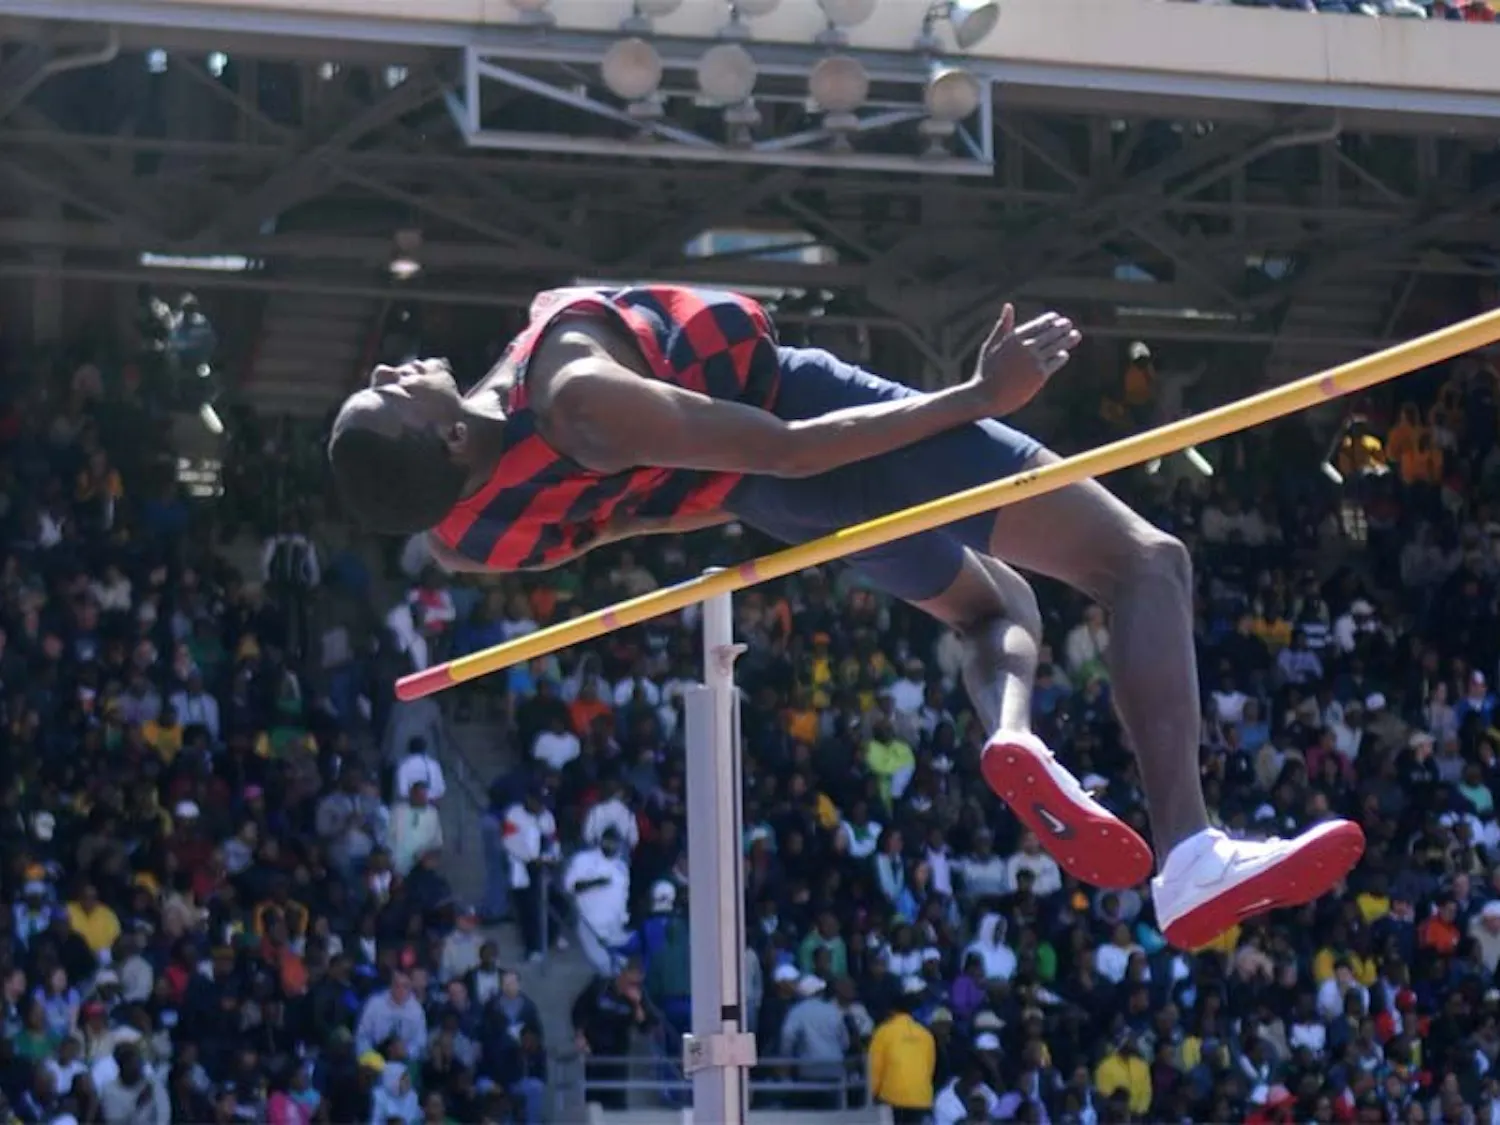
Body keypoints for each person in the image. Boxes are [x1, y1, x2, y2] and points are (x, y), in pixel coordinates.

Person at [327, 282, 1365, 947]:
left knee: (993, 610)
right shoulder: (580, 396)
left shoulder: (468, 535)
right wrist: (976, 395)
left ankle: (1011, 734)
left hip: (762, 498)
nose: (385, 370)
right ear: (447, 447)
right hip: (813, 428)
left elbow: (608, 528)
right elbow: (787, 440)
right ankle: (1189, 854)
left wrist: (709, 485)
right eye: (390, 398)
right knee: (1144, 565)